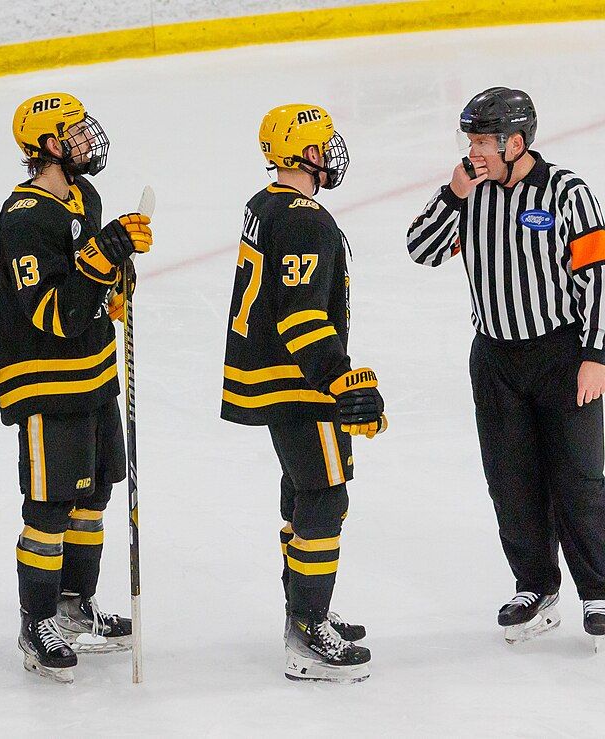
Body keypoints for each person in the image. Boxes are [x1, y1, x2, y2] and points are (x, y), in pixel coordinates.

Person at [407, 87, 605, 648]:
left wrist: (596, 355)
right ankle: (536, 587)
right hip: (495, 359)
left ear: (515, 143)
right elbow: (420, 249)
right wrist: (453, 194)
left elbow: (599, 276)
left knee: (578, 481)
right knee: (511, 483)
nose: (473, 152)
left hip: (563, 356)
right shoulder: (470, 193)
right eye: (470, 142)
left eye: (482, 143)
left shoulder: (567, 191)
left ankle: (599, 593)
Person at [221, 104, 384, 683]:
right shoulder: (305, 218)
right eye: (324, 144)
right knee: (324, 496)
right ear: (305, 154)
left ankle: (306, 611)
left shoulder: (264, 204)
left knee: (303, 494)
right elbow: (301, 314)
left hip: (272, 375)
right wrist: (339, 378)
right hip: (298, 381)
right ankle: (307, 633)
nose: (331, 152)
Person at [0, 92, 150, 684]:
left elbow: (92, 296)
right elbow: (53, 313)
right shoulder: (24, 217)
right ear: (48, 147)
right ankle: (37, 625)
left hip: (93, 374)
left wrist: (117, 277)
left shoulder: (84, 197)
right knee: (50, 506)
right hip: (43, 381)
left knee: (93, 497)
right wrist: (105, 253)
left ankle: (74, 606)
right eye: (75, 133)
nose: (88, 140)